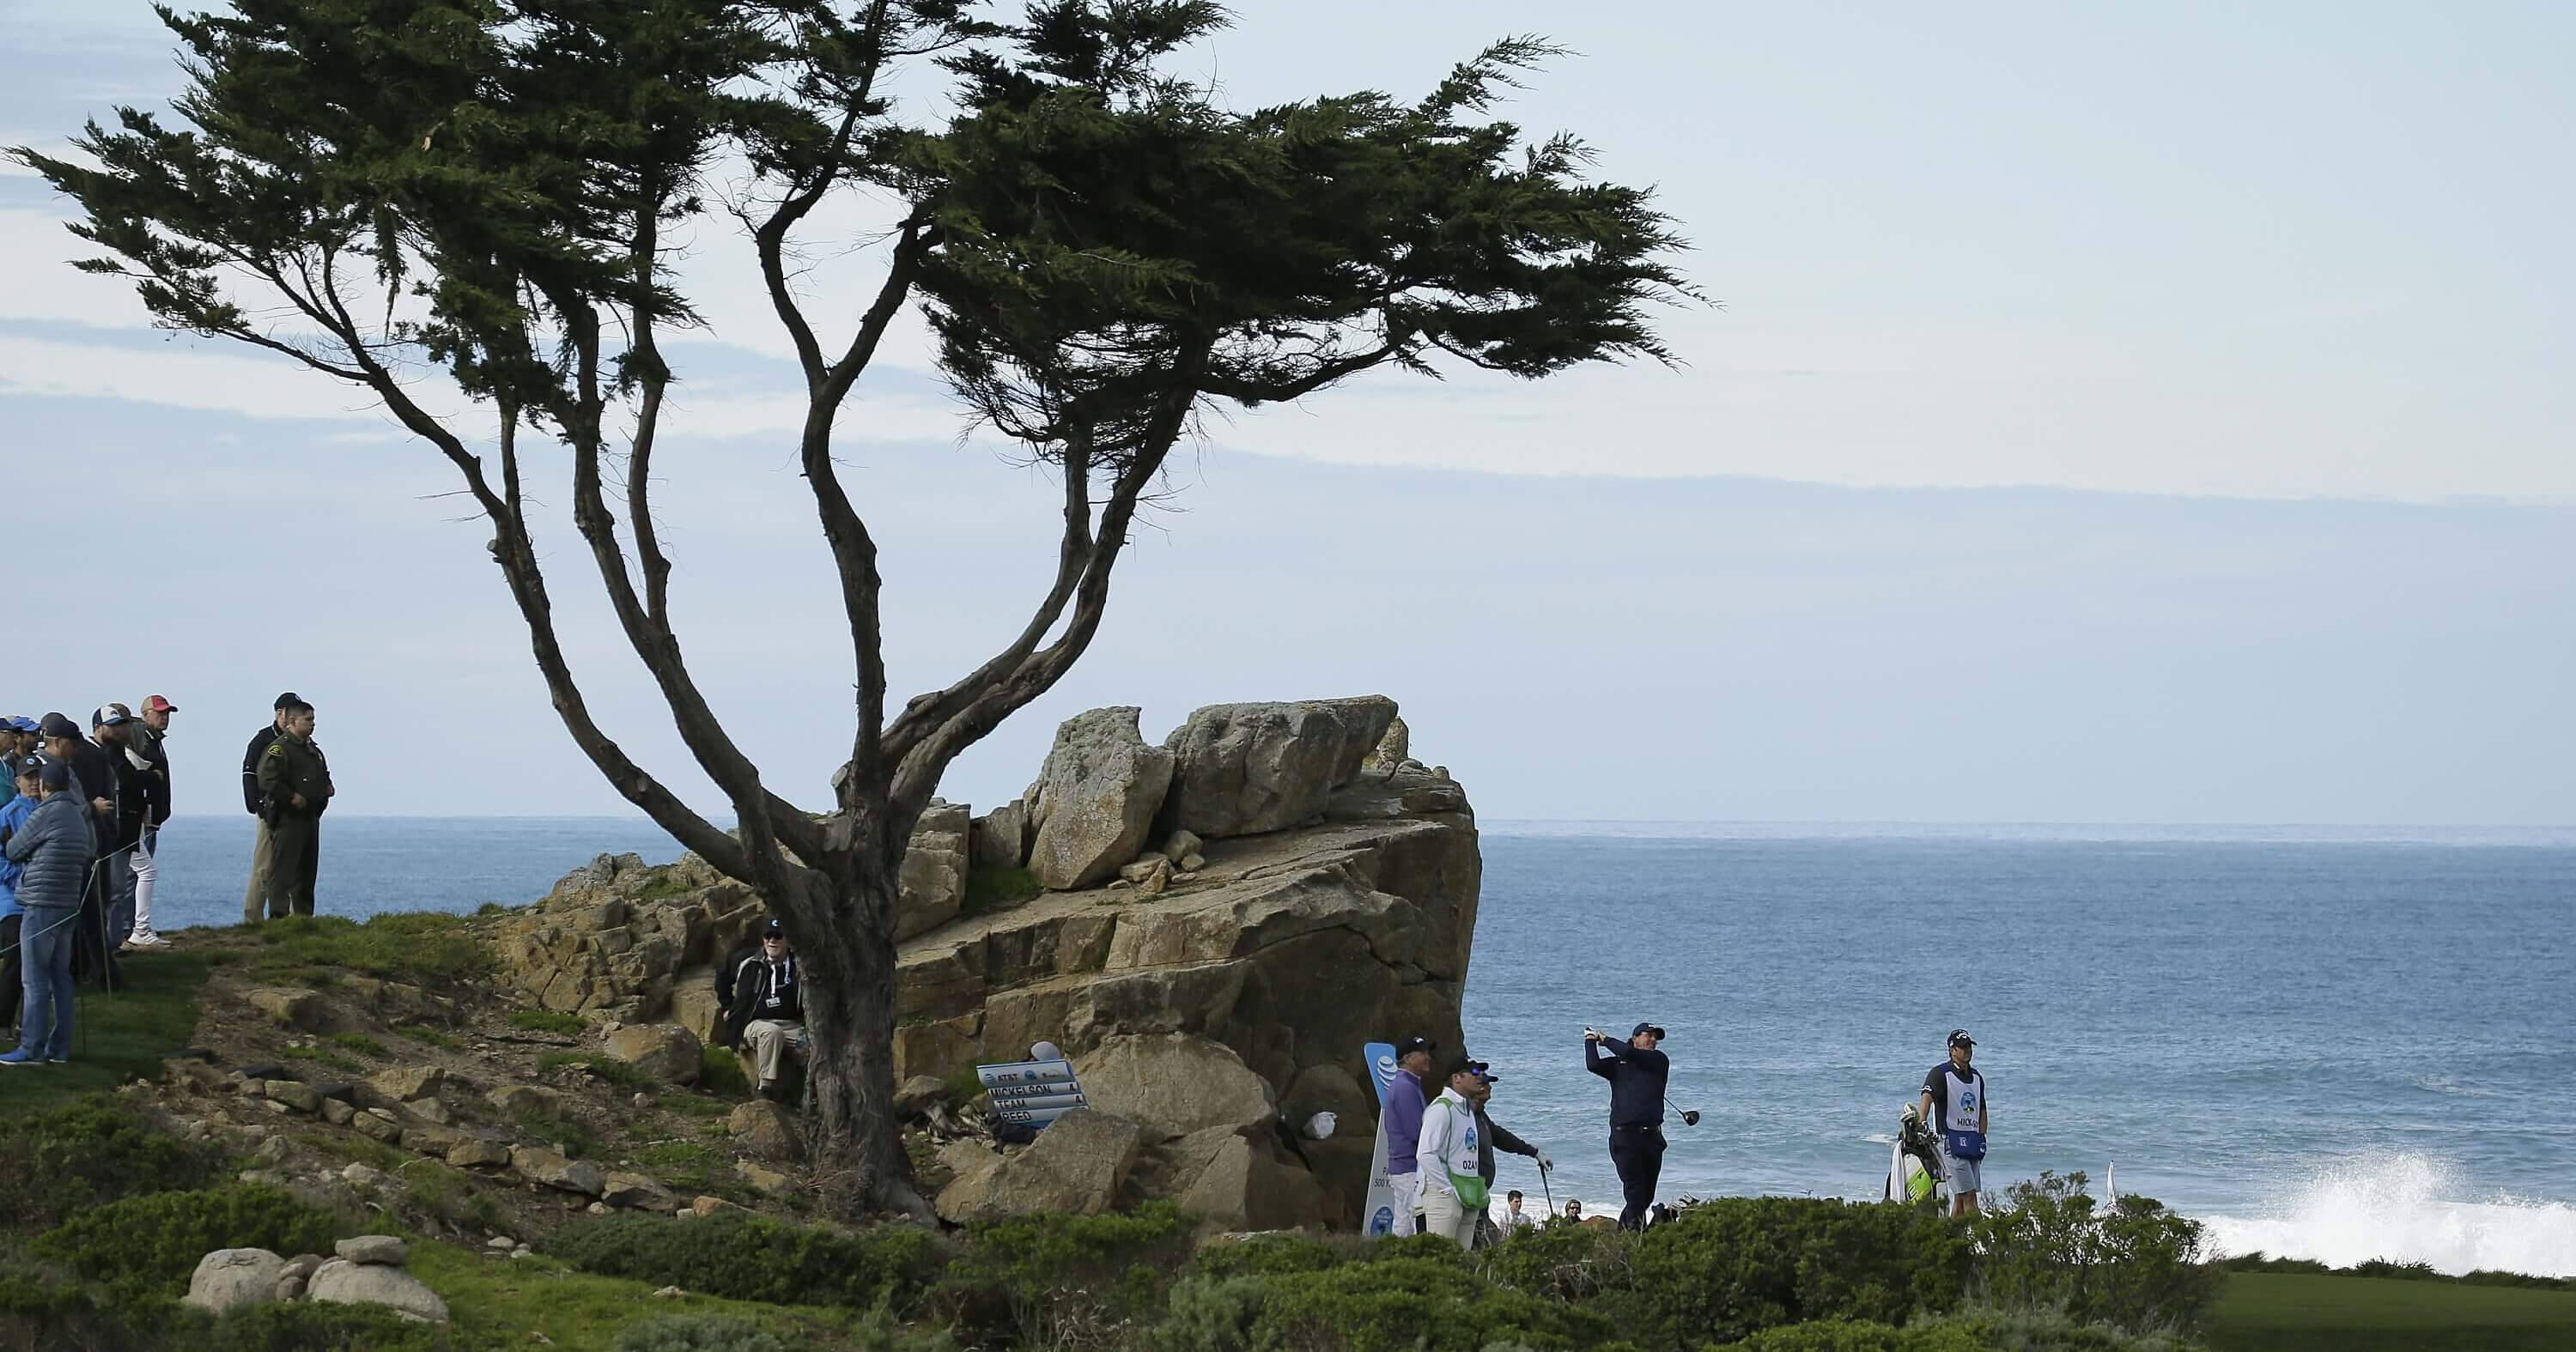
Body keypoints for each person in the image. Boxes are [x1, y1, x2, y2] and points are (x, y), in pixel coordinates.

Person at [3, 760, 94, 1065]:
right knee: (60, 978)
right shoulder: (76, 814)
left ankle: (31, 1048)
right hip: (67, 904)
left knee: (35, 980)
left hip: (41, 904)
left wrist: (10, 842)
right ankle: (59, 1049)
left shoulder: (45, 812)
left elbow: (15, 850)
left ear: (44, 785)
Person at [1586, 1021, 1672, 1232]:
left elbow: (1628, 1052)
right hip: (1625, 1136)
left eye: (1655, 1037)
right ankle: (1632, 1239)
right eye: (1648, 1035)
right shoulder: (1618, 1064)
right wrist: (1589, 1042)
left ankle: (1623, 1235)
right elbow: (1593, 1065)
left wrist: (1605, 1040)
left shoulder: (1658, 1060)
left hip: (1652, 1137)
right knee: (1635, 1192)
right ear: (1635, 1038)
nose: (1653, 1039)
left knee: (1645, 1195)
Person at [255, 700, 333, 919]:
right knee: (282, 872)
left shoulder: (312, 749)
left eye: (313, 720)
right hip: (288, 818)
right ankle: (279, 917)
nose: (312, 724)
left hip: (310, 817)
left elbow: (322, 772)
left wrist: (327, 786)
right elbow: (267, 778)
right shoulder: (280, 749)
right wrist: (291, 796)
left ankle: (303, 918)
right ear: (292, 721)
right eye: (308, 720)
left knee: (307, 873)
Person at [718, 919, 810, 1101]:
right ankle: (764, 1089)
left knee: (813, 1045)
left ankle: (810, 1095)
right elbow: (722, 976)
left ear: (788, 940)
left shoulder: (799, 965)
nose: (772, 941)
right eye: (768, 936)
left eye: (778, 936)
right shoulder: (748, 961)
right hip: (754, 1023)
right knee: (771, 1032)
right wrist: (728, 1007)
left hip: (791, 1024)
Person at [1467, 1065, 1551, 1248]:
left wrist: (1534, 1152)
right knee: (1481, 1241)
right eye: (1485, 1084)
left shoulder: (1481, 1116)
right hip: (1467, 1194)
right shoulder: (1465, 1115)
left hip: (1480, 1193)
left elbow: (1503, 1138)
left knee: (1486, 1240)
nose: (1489, 1087)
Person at [1413, 1053, 1488, 1247]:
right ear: (1457, 1078)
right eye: (1473, 1072)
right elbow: (1425, 1153)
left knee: (1462, 1261)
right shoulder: (1441, 1108)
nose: (1479, 1077)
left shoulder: (1467, 1109)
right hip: (1444, 1194)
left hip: (1469, 1194)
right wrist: (1446, 1189)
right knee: (1440, 1258)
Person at [90, 706, 149, 952]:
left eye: (121, 725)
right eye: (112, 726)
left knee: (117, 889)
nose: (118, 730)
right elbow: (127, 781)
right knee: (113, 891)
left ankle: (113, 943)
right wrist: (150, 778)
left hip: (122, 830)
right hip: (110, 832)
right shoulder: (103, 755)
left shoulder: (115, 753)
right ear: (98, 727)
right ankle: (109, 945)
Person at [121, 696, 176, 947]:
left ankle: (131, 927)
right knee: (138, 874)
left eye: (167, 713)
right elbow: (140, 779)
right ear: (145, 715)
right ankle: (131, 928)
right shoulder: (143, 740)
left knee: (137, 873)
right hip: (143, 818)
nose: (164, 717)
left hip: (150, 817)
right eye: (160, 713)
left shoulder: (153, 739)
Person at [1919, 1029, 1990, 1217]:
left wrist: (1982, 1136)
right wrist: (1922, 1122)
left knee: (1960, 1196)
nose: (1967, 1050)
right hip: (1950, 1142)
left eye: (1968, 1046)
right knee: (1969, 1195)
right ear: (1952, 1050)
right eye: (1962, 1047)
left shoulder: (1977, 1077)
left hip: (1973, 1142)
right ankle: (1980, 1239)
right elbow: (1927, 1098)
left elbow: (1982, 1109)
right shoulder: (1940, 1073)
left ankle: (1952, 1238)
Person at [240, 693, 296, 923]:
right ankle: (253, 918)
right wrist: (256, 806)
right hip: (270, 810)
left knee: (293, 867)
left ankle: (293, 919)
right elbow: (249, 773)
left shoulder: (299, 740)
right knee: (263, 866)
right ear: (280, 713)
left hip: (293, 814)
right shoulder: (263, 739)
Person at [0, 756, 40, 1035]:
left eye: (38, 776)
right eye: (29, 777)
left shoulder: (47, 810)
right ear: (18, 782)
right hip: (12, 899)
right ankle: (3, 1021)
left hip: (41, 898)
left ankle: (28, 1024)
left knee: (39, 962)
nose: (35, 782)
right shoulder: (7, 815)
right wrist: (22, 880)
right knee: (16, 957)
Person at [1381, 1034, 1435, 1235]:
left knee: (1403, 1223)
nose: (1427, 1057)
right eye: (1422, 1053)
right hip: (1409, 1168)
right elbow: (1418, 1132)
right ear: (1407, 1058)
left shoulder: (1409, 1085)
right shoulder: (1405, 1087)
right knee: (1416, 1223)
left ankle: (1396, 1261)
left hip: (1404, 1167)